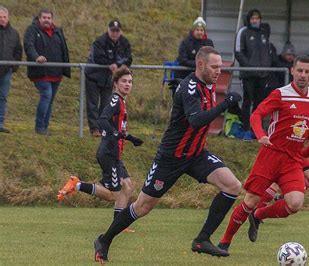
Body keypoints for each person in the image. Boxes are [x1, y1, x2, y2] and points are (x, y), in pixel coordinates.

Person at [93, 47, 242, 262]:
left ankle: (202, 239)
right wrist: (226, 103)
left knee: (233, 186)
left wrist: (233, 107)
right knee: (143, 206)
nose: (219, 71)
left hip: (196, 154)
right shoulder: (191, 88)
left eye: (221, 67)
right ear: (201, 65)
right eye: (215, 66)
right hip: (171, 158)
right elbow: (197, 120)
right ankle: (104, 240)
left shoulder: (205, 85)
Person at [218, 56, 309, 252]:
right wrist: (260, 134)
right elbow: (256, 114)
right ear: (292, 71)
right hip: (271, 155)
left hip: (292, 158)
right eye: (299, 70)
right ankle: (225, 242)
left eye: (307, 72)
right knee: (250, 201)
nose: (303, 75)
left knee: (295, 203)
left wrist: (308, 150)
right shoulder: (280, 94)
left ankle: (258, 216)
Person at [57, 66, 143, 230]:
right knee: (113, 195)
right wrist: (116, 134)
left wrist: (130, 138)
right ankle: (77, 185)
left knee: (128, 186)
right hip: (109, 153)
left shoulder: (121, 101)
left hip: (115, 153)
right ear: (116, 83)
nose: (127, 84)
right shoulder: (114, 100)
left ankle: (118, 225)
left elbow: (117, 128)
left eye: (130, 82)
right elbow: (102, 120)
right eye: (124, 81)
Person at [23, 8, 70, 135]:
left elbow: (64, 49)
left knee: (50, 100)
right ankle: (39, 126)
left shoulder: (58, 31)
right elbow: (28, 45)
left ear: (52, 19)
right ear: (39, 18)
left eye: (49, 18)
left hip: (56, 73)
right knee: (46, 95)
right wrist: (36, 57)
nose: (46, 20)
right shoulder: (32, 30)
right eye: (44, 17)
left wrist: (65, 67)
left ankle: (45, 126)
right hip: (41, 72)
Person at [85, 20, 132, 137]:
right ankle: (94, 128)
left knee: (106, 104)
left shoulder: (124, 42)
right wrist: (110, 64)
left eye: (117, 31)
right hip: (94, 77)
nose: (115, 33)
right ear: (108, 30)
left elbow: (129, 58)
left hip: (109, 79)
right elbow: (97, 57)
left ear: (120, 31)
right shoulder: (100, 41)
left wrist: (117, 64)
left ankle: (102, 128)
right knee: (92, 104)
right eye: (113, 30)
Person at [235, 9, 272, 141]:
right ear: (249, 19)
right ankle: (245, 130)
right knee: (247, 102)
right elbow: (238, 52)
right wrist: (250, 67)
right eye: (253, 18)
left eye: (257, 18)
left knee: (259, 104)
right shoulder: (243, 32)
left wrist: (266, 68)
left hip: (262, 75)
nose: (255, 20)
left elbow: (267, 51)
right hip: (248, 75)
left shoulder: (263, 32)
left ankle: (257, 131)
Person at [0, 6, 22, 133]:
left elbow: (18, 50)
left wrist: (14, 66)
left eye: (4, 17)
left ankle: (0, 123)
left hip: (6, 71)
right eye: (0, 17)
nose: (2, 19)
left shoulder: (14, 33)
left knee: (3, 97)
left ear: (8, 18)